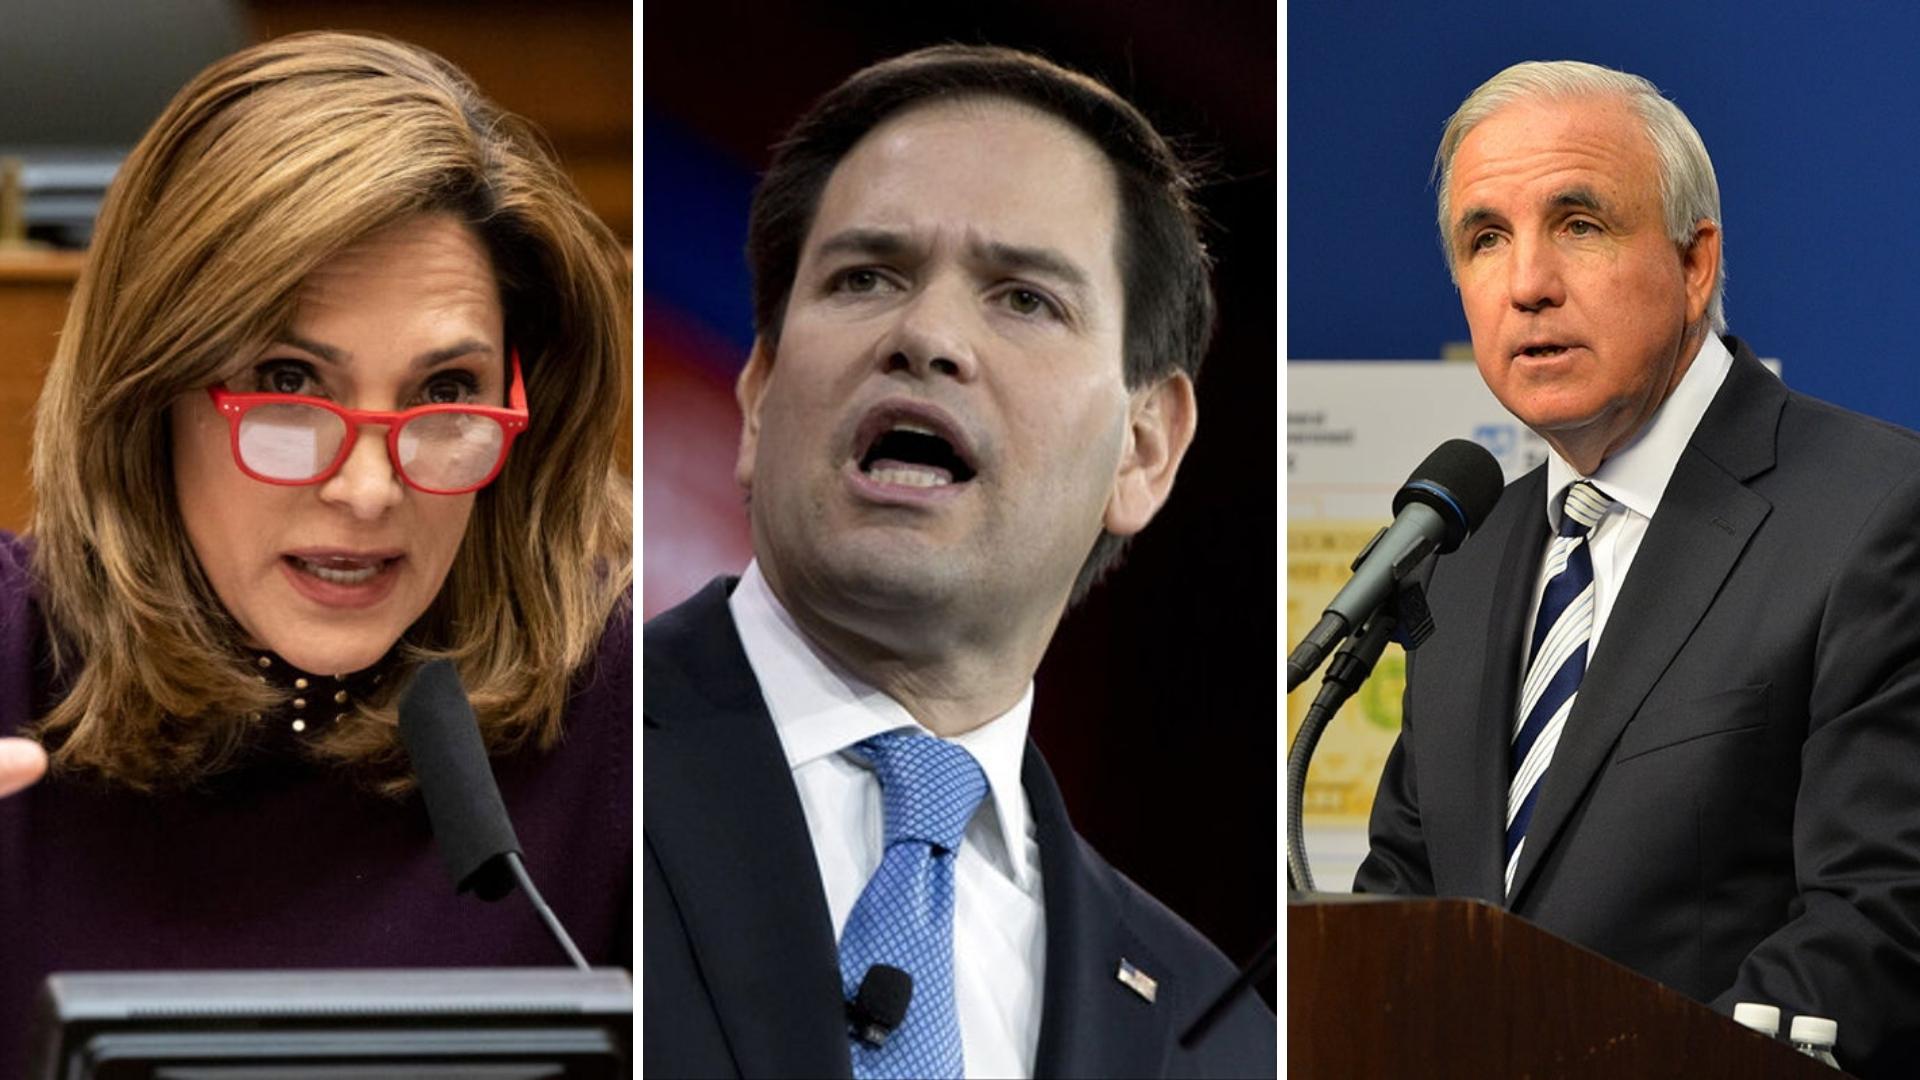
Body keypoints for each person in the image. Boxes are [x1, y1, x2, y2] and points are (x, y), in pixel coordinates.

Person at [0, 32, 632, 1072]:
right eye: (291, 385)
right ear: (149, 394)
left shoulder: (623, 719)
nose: (370, 488)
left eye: (443, 394)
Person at [643, 44, 1275, 1079]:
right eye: (865, 277)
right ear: (757, 396)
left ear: (1144, 447)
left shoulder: (1216, 1035)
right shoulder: (563, 784)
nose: (925, 335)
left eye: (1023, 298)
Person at [1354, 59, 1920, 1076]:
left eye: (1580, 225)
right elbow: (1410, 886)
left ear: (1695, 263)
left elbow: (1880, 923)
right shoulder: (1459, 554)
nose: (1528, 283)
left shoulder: (1878, 512)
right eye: (1486, 240)